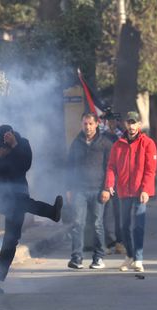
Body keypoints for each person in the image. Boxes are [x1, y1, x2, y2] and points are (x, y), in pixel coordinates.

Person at [0, 124, 63, 293]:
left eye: (8, 137)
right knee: (21, 204)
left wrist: (15, 146)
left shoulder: (22, 143)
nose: (4, 141)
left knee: (10, 240)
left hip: (18, 194)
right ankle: (51, 212)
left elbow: (25, 164)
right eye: (2, 139)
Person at [102, 111, 157, 273]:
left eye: (134, 123)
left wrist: (146, 189)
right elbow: (111, 167)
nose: (131, 126)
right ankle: (130, 256)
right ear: (125, 124)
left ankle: (138, 259)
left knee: (138, 226)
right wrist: (109, 184)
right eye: (129, 123)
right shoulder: (118, 145)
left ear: (139, 125)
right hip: (124, 190)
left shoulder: (147, 143)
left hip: (140, 191)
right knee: (124, 226)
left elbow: (150, 169)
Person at [66, 113, 113, 270]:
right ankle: (76, 258)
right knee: (77, 223)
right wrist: (69, 188)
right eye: (85, 124)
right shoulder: (76, 143)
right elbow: (70, 167)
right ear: (82, 124)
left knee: (97, 224)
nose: (87, 127)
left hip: (99, 190)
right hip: (79, 190)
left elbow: (111, 168)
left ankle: (98, 257)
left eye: (90, 124)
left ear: (96, 124)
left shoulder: (105, 143)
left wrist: (107, 188)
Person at [100, 115, 126, 255]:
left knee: (118, 213)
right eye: (108, 121)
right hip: (104, 179)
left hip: (119, 179)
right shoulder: (102, 137)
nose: (111, 123)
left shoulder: (121, 137)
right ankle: (105, 242)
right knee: (103, 213)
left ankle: (119, 242)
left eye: (113, 120)